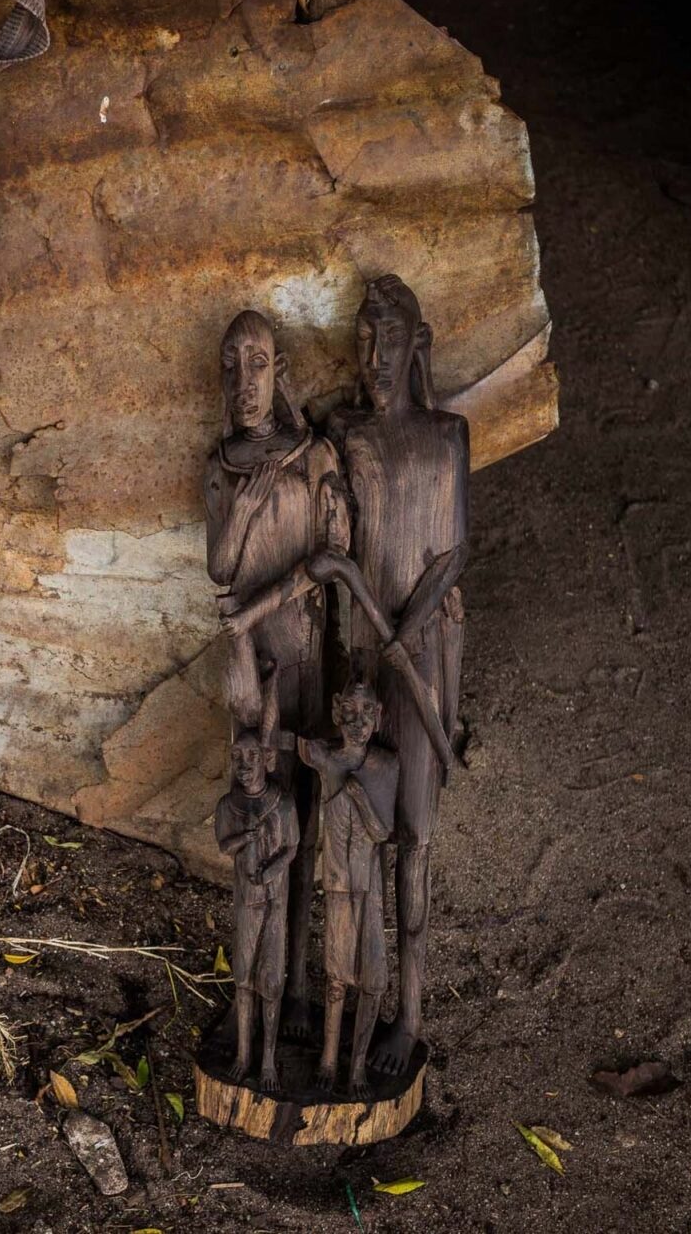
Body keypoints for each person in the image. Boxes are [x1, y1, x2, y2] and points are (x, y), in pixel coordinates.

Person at [324, 275, 469, 1075]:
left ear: (417, 345)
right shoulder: (349, 436)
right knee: (353, 838)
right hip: (360, 658)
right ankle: (351, 997)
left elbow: (451, 558)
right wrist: (375, 641)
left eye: (391, 338)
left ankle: (408, 1015)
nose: (376, 357)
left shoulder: (446, 438)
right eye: (364, 340)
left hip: (417, 665)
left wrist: (405, 639)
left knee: (412, 839)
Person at [204, 309, 347, 1034]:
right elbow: (218, 568)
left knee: (305, 816)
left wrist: (259, 607)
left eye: (258, 363)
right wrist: (244, 511)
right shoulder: (222, 467)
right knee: (261, 807)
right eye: (231, 366)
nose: (244, 382)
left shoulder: (310, 456)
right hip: (249, 664)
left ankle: (296, 989)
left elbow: (327, 556)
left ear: (278, 369)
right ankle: (254, 996)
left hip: (300, 648)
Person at [297, 681, 396, 1092]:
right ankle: (328, 1059)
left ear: (378, 718)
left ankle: (356, 1067)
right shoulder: (324, 758)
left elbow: (381, 830)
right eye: (350, 713)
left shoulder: (384, 766)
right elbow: (288, 742)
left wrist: (356, 795)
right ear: (337, 712)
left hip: (368, 887)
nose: (358, 723)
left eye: (366, 714)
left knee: (373, 980)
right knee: (336, 977)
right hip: (337, 884)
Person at [212, 677, 299, 1091]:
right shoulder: (228, 806)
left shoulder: (281, 802)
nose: (244, 765)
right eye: (237, 757)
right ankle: (245, 1052)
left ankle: (267, 1059)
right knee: (243, 975)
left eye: (251, 756)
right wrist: (243, 839)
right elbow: (223, 844)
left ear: (266, 759)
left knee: (271, 980)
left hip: (275, 902)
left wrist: (272, 870)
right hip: (246, 902)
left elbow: (293, 848)